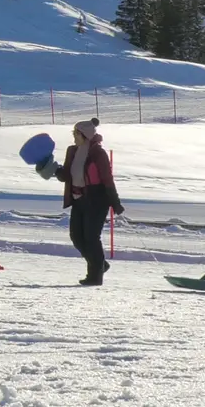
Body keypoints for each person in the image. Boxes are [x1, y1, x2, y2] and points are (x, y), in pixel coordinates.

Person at [60, 118, 124, 286]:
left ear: (85, 135)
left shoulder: (98, 154)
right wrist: (52, 169)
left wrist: (115, 201)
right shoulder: (72, 151)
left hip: (97, 199)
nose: (74, 136)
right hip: (78, 198)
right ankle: (100, 264)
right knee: (76, 237)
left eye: (76, 133)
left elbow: (107, 179)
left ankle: (95, 276)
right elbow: (67, 175)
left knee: (91, 237)